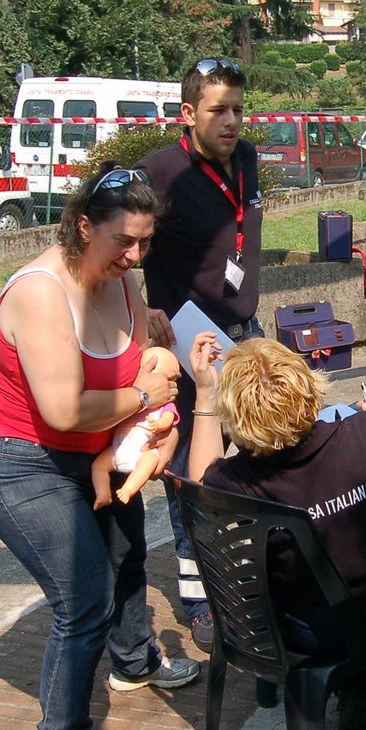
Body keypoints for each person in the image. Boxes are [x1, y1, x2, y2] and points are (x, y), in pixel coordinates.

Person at [0, 166, 200, 730]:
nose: (135, 254)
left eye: (145, 242)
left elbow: (134, 348)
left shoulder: (121, 280)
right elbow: (64, 410)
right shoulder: (41, 294)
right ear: (83, 225)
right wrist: (145, 392)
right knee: (83, 598)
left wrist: (155, 356)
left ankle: (135, 662)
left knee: (126, 558)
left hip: (90, 455)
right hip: (18, 461)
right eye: (123, 240)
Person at [185, 336, 366, 730]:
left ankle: (354, 691)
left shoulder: (236, 482)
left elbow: (201, 483)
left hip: (304, 630)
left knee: (328, 586)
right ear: (309, 385)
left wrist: (204, 390)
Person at [134, 58, 263, 650]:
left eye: (238, 108)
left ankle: (253, 570)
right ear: (188, 115)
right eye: (218, 111)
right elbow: (117, 246)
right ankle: (200, 599)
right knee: (190, 470)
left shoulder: (247, 160)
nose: (232, 120)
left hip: (243, 330)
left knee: (261, 452)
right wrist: (144, 314)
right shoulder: (159, 172)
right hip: (190, 343)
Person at [90, 345, 181, 509]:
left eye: (173, 380)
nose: (169, 386)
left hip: (143, 450)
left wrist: (159, 425)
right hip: (116, 449)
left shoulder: (164, 406)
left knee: (148, 462)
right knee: (98, 466)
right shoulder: (131, 397)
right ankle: (103, 493)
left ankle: (129, 488)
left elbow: (169, 419)